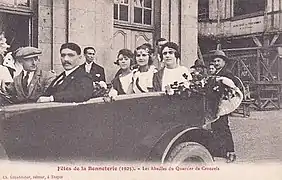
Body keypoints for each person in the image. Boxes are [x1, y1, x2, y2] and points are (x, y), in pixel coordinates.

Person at [210, 50, 238, 163]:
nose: (216, 63)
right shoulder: (216, 73)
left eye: (218, 61)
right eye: (215, 61)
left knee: (224, 128)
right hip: (215, 104)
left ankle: (231, 152)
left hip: (223, 104)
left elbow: (234, 86)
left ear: (224, 62)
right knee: (216, 127)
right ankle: (221, 151)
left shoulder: (227, 73)